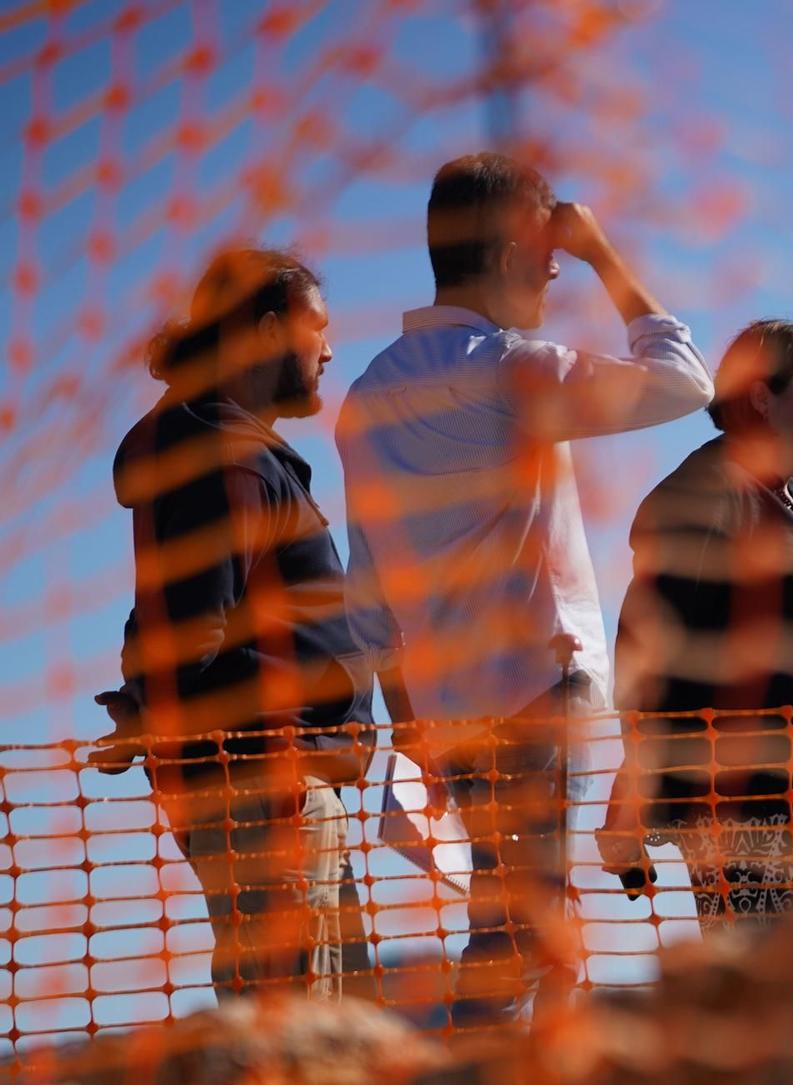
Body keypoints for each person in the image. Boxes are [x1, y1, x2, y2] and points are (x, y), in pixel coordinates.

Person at [336, 153, 712, 1024]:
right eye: (546, 251)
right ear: (512, 251)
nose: (554, 269)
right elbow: (683, 379)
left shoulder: (365, 397)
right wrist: (603, 251)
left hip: (447, 702)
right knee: (518, 917)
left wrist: (408, 715)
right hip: (542, 685)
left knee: (525, 906)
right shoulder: (514, 367)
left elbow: (369, 590)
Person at [93, 246, 375, 1000]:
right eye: (319, 327)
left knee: (327, 1034)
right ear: (267, 332)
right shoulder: (225, 457)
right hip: (268, 793)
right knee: (295, 1040)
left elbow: (177, 612)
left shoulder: (221, 450)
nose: (328, 349)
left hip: (273, 789)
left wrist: (143, 703)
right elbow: (191, 631)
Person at [595, 321, 793, 927]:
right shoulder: (702, 496)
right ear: (762, 397)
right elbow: (650, 655)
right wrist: (630, 795)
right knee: (764, 998)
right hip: (747, 806)